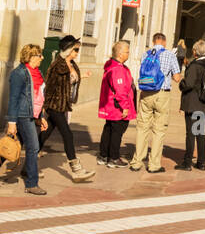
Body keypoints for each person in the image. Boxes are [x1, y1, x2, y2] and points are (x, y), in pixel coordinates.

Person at [38, 35, 94, 182]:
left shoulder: (72, 64)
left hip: (64, 106)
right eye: (75, 49)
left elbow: (72, 80)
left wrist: (84, 76)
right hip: (55, 106)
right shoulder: (58, 65)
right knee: (68, 135)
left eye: (77, 50)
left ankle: (27, 167)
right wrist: (45, 108)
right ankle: (76, 170)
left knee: (43, 136)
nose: (77, 52)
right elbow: (49, 87)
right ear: (68, 50)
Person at [130, 32, 181, 173]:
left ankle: (136, 162)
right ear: (164, 42)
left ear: (153, 42)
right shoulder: (170, 55)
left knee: (142, 128)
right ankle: (153, 165)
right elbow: (177, 78)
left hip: (145, 93)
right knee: (159, 130)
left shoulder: (145, 54)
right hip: (161, 95)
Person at [4, 43, 48, 195]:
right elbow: (14, 99)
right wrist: (11, 122)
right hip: (23, 114)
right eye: (39, 55)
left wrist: (41, 117)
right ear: (30, 56)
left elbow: (38, 97)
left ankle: (28, 176)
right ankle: (31, 184)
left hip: (32, 114)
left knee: (13, 146)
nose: (42, 58)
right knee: (33, 147)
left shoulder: (38, 73)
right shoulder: (19, 73)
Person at [178, 39, 205, 171]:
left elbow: (188, 84)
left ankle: (187, 162)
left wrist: (181, 84)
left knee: (190, 134)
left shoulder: (195, 66)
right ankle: (201, 162)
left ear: (195, 52)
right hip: (204, 103)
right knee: (200, 132)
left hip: (193, 103)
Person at [97, 41, 136, 167]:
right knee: (117, 131)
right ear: (119, 54)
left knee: (109, 129)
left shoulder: (112, 66)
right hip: (116, 107)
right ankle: (113, 157)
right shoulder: (117, 69)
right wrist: (125, 106)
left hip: (110, 106)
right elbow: (120, 90)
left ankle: (103, 155)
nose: (128, 54)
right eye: (127, 52)